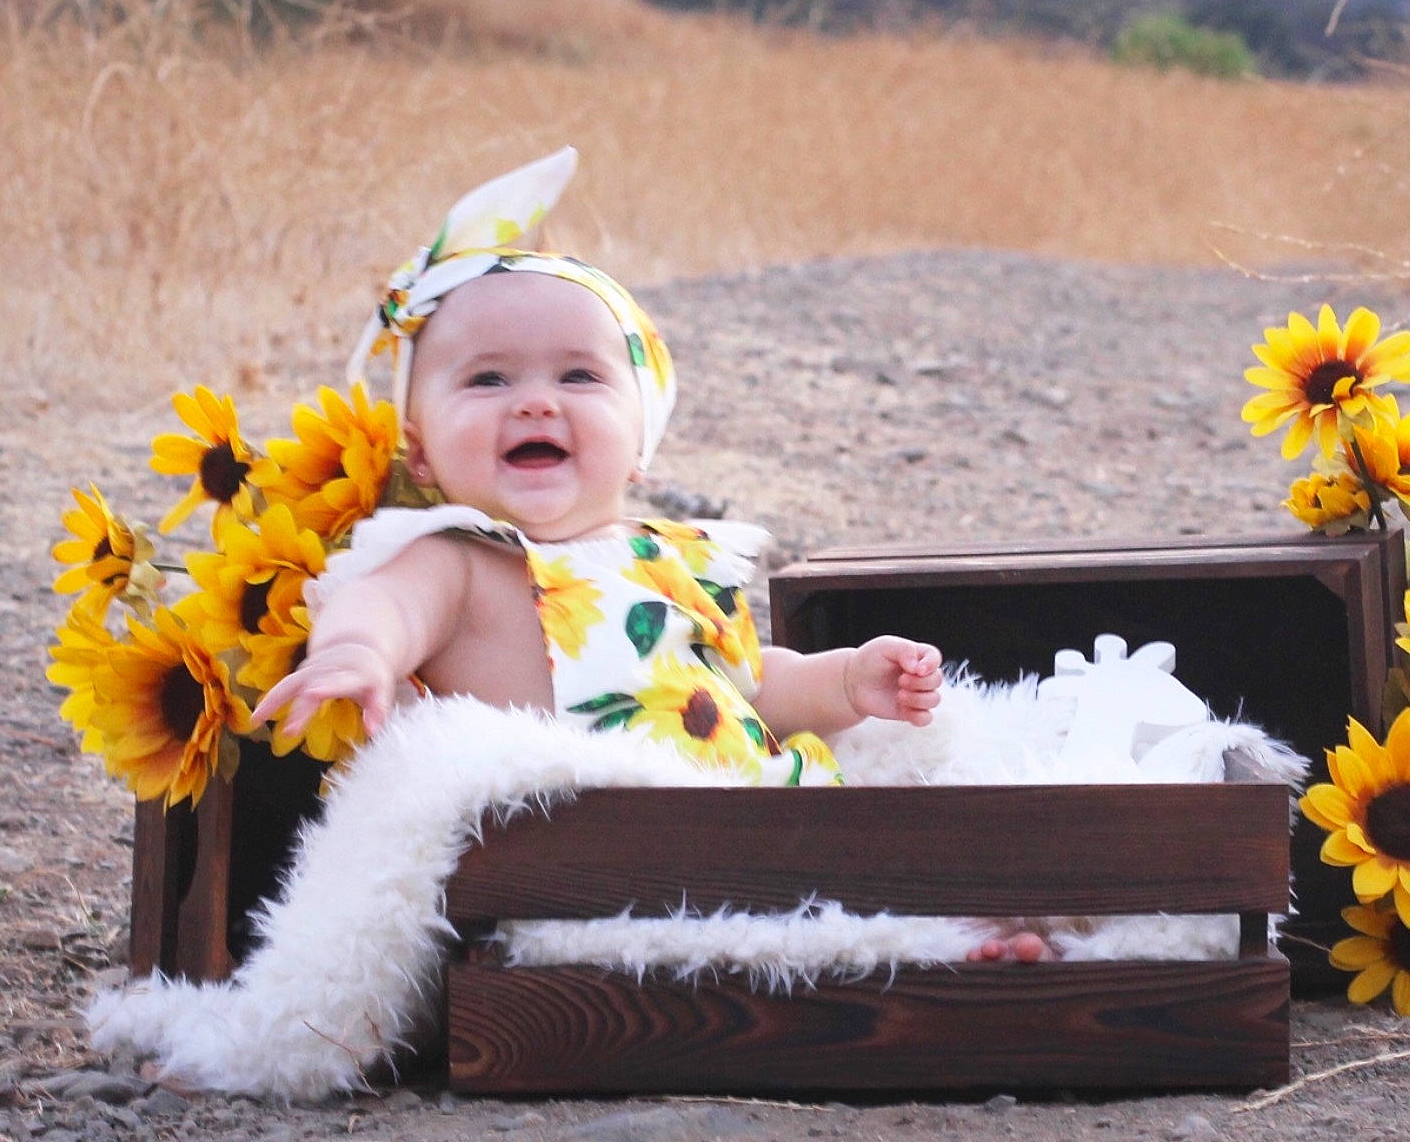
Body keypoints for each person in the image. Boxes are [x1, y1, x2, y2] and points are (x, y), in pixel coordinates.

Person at [249, 151, 1047, 962]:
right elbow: (384, 604)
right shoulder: (458, 560)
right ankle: (926, 952)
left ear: (641, 445)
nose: (534, 399)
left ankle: (955, 924)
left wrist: (844, 681)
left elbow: (742, 684)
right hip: (608, 863)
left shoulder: (668, 558)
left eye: (579, 375)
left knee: (867, 849)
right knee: (779, 921)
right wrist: (354, 652)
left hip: (755, 815)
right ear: (417, 455)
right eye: (487, 379)